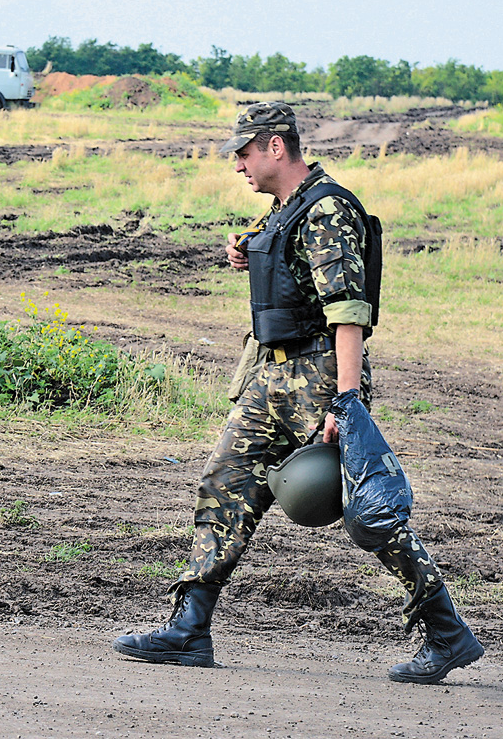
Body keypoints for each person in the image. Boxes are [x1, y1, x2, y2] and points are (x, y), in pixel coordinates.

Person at [113, 102, 484, 684]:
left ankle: (446, 631)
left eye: (244, 152)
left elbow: (347, 312)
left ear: (275, 147)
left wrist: (348, 400)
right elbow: (285, 268)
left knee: (371, 513)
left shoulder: (328, 208)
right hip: (269, 379)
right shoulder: (286, 209)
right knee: (225, 482)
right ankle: (189, 628)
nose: (238, 165)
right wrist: (244, 253)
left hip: (317, 379)